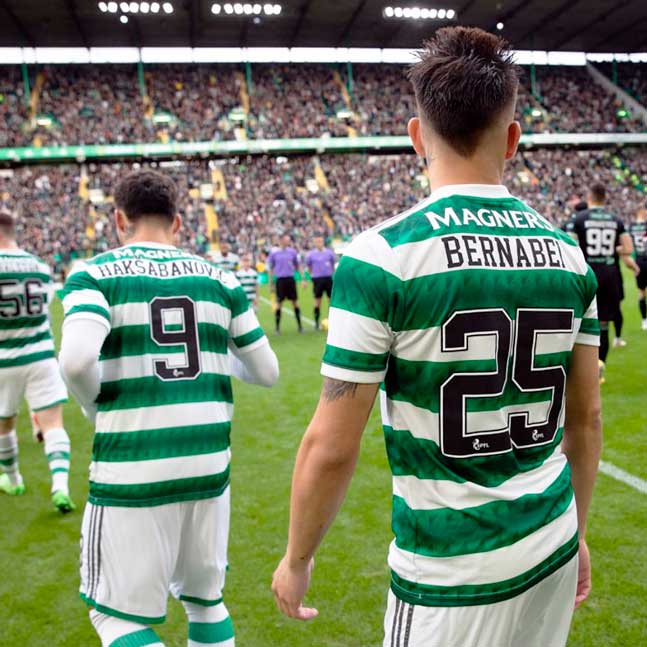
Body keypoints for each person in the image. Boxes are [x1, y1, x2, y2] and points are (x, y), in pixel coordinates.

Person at [272, 27, 602, 647]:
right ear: (513, 139)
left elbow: (332, 445)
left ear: (417, 137)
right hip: (551, 539)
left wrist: (296, 558)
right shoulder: (569, 257)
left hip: (450, 571)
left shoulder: (383, 256)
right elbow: (585, 419)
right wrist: (578, 531)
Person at [59, 171, 279, 647]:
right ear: (178, 222)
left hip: (134, 466)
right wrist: (217, 360)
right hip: (209, 467)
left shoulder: (94, 274)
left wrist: (95, 404)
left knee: (116, 619)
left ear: (119, 220)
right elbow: (266, 371)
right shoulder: (220, 279)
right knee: (205, 601)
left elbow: (75, 361)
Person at [0, 209, 75, 513]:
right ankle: (61, 487)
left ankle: (13, 479)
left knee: (4, 425)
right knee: (53, 423)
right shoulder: (40, 267)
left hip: (4, 359)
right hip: (41, 355)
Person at [569, 183, 639, 382]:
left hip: (587, 273)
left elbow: (570, 246)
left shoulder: (579, 219)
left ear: (589, 197)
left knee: (578, 321)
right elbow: (628, 248)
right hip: (609, 275)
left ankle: (579, 369)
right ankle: (599, 369)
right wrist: (612, 249)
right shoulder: (616, 220)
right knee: (603, 324)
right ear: (605, 198)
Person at [268, 234, 302, 334]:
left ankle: (300, 326)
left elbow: (298, 265)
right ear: (281, 240)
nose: (288, 241)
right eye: (287, 240)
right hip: (280, 280)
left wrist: (303, 278)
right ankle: (277, 328)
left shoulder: (292, 252)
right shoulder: (274, 253)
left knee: (295, 302)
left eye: (289, 240)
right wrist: (271, 283)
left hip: (290, 280)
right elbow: (271, 269)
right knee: (279, 303)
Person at [304, 235, 336, 330]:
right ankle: (316, 323)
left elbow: (333, 267)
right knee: (317, 302)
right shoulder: (311, 255)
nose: (319, 243)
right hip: (317, 280)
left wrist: (334, 277)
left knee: (331, 302)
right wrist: (305, 279)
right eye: (317, 241)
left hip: (328, 279)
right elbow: (308, 268)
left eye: (321, 241)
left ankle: (333, 322)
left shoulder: (329, 253)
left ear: (323, 242)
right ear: (315, 243)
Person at [628, 203, 647, 330]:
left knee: (642, 293)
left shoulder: (631, 227)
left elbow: (629, 248)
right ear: (642, 211)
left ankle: (644, 320)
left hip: (638, 262)